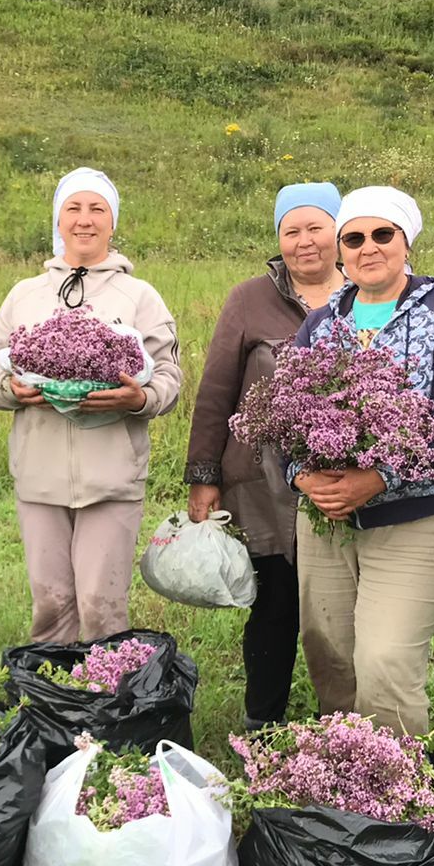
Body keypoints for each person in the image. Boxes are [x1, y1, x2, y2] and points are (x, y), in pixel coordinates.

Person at [290, 186, 434, 736]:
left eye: (383, 235)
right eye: (354, 238)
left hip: (415, 517)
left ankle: (402, 801)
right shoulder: (322, 323)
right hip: (326, 517)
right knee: (329, 653)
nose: (368, 248)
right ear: (340, 250)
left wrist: (377, 478)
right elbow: (284, 413)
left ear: (406, 242)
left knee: (385, 661)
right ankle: (347, 781)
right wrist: (302, 475)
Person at [0, 168, 182, 642]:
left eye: (97, 209)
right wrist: (14, 389)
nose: (85, 220)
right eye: (73, 208)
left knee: (100, 607)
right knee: (50, 606)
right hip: (39, 477)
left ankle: (105, 707)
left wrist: (140, 398)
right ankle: (54, 706)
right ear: (58, 220)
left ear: (113, 222)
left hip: (111, 479)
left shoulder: (139, 296)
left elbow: (168, 377)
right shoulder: (24, 294)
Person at [184, 182, 342, 730]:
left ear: (339, 232)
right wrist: (204, 476)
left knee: (335, 612)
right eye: (291, 230)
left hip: (343, 484)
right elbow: (215, 393)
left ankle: (341, 730)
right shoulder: (248, 299)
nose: (305, 241)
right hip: (263, 481)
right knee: (273, 607)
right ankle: (264, 723)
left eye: (316, 227)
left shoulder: (368, 294)